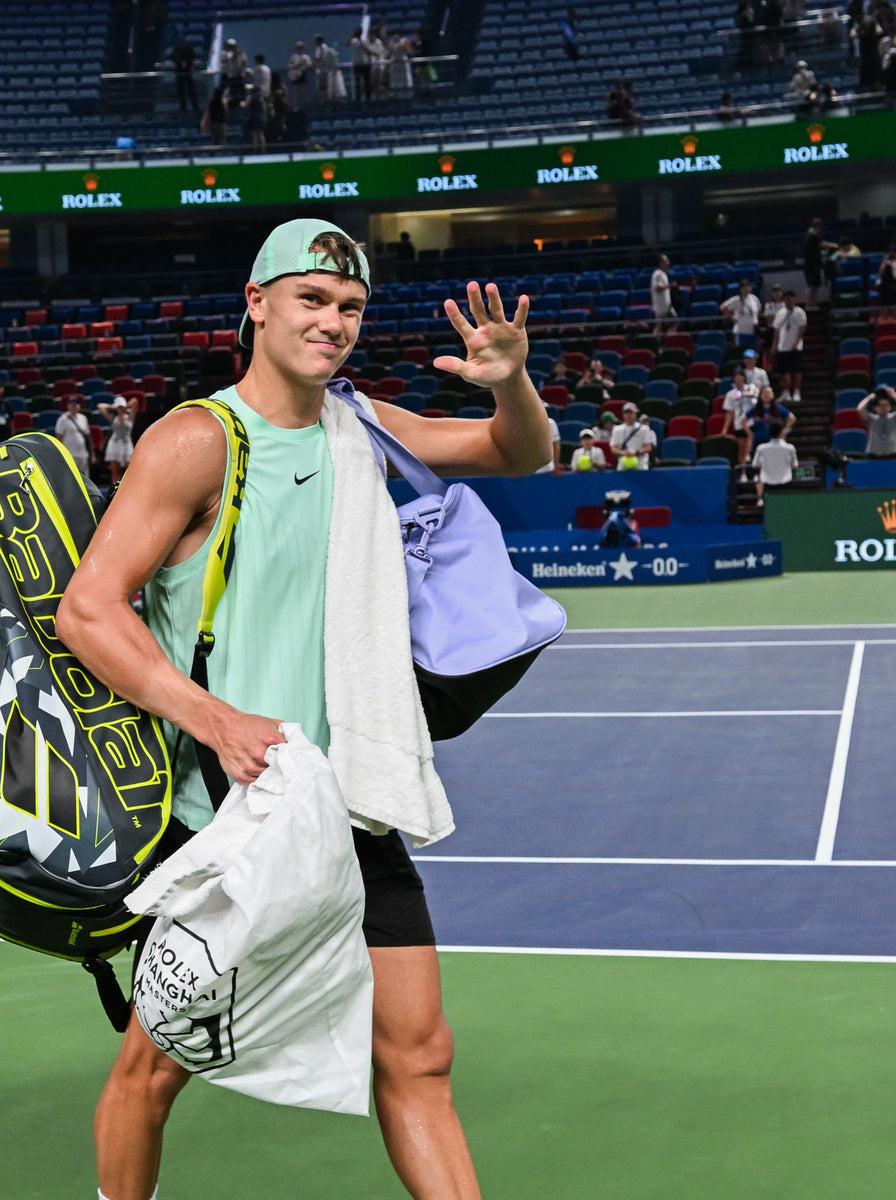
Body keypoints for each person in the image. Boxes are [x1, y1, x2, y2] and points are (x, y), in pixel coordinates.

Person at [55, 217, 549, 1200]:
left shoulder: (359, 423)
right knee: (150, 1074)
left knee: (419, 1060)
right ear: (259, 304)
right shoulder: (199, 439)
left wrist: (511, 383)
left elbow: (517, 452)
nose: (333, 321)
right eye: (313, 300)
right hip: (228, 815)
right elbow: (88, 608)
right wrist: (214, 718)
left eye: (351, 307)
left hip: (350, 801)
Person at [772, 289, 807, 402]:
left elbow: (802, 328)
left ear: (794, 300)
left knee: (796, 371)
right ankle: (786, 392)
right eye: (787, 299)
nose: (789, 301)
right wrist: (774, 345)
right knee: (783, 371)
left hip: (795, 347)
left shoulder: (799, 312)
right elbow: (776, 330)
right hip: (782, 346)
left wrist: (796, 342)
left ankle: (796, 392)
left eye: (791, 299)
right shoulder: (780, 313)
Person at [751, 420, 798, 503]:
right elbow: (795, 465)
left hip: (768, 484)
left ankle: (760, 499)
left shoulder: (761, 448)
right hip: (785, 484)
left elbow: (755, 465)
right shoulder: (790, 448)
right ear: (782, 432)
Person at [97, 394, 138, 486]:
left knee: (130, 468)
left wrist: (126, 406)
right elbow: (100, 406)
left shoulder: (130, 416)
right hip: (115, 445)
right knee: (115, 470)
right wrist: (113, 407)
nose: (120, 408)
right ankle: (115, 487)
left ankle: (130, 486)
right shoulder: (113, 418)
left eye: (121, 406)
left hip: (126, 444)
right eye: (118, 407)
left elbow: (135, 401)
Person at [857, 385, 896, 458]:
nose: (883, 408)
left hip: (892, 456)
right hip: (874, 457)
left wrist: (894, 395)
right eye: (880, 405)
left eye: (886, 405)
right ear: (875, 408)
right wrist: (870, 397)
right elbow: (859, 409)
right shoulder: (871, 419)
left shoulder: (895, 418)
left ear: (890, 407)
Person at [722, 367, 757, 464]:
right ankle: (743, 474)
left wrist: (741, 394)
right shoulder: (730, 394)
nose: (739, 378)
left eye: (740, 375)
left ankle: (754, 472)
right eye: (736, 376)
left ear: (744, 377)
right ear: (733, 378)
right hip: (738, 424)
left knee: (752, 448)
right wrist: (725, 428)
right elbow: (729, 413)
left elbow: (752, 394)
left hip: (751, 422)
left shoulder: (751, 387)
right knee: (742, 449)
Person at [746, 384, 795, 452]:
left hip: (775, 441)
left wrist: (785, 430)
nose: (766, 395)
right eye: (764, 393)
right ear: (760, 395)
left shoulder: (778, 408)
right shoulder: (755, 409)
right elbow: (742, 420)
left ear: (773, 395)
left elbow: (792, 418)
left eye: (768, 393)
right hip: (759, 440)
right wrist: (750, 434)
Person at [55, 394, 93, 478]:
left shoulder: (83, 418)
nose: (74, 406)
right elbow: (59, 438)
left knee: (85, 477)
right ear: (68, 406)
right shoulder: (63, 419)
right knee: (71, 477)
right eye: (71, 404)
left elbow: (88, 436)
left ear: (78, 406)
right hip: (70, 453)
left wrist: (92, 453)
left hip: (83, 454)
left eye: (75, 404)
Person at [609, 403, 657, 469]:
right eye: (626, 413)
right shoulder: (617, 429)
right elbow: (614, 449)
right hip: (623, 465)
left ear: (635, 413)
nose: (629, 415)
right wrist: (625, 453)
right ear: (623, 414)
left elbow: (648, 447)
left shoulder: (644, 428)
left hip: (640, 465)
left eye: (631, 412)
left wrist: (636, 452)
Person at [720, 278, 761, 347]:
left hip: (753, 331)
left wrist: (755, 319)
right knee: (742, 352)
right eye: (744, 288)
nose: (746, 289)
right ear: (740, 289)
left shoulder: (754, 298)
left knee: (754, 354)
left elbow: (759, 309)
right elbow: (722, 307)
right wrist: (732, 318)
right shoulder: (736, 299)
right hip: (741, 331)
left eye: (747, 287)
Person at [170, 32, 198, 115]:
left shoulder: (189, 49)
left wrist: (189, 64)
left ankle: (195, 106)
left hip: (188, 72)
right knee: (181, 90)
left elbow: (192, 58)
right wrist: (178, 61)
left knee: (191, 89)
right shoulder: (176, 49)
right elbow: (173, 58)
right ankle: (183, 107)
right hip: (179, 72)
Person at [286, 41, 313, 110]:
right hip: (295, 75)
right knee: (295, 91)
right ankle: (296, 106)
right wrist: (294, 66)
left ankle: (308, 105)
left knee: (304, 90)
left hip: (303, 74)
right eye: (298, 48)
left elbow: (309, 65)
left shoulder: (306, 57)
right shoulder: (293, 56)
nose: (299, 49)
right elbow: (290, 65)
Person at [650, 253, 672, 328]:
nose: (668, 263)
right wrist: (670, 285)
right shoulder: (658, 274)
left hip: (665, 306)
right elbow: (658, 288)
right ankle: (655, 339)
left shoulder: (663, 274)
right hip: (660, 307)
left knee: (667, 325)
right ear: (660, 263)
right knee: (659, 327)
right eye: (666, 261)